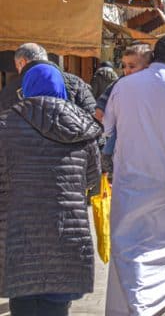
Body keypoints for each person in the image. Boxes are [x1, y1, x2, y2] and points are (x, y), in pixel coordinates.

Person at [103, 35, 165, 315]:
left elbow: (107, 127)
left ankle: (131, 303)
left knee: (127, 241)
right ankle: (161, 296)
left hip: (129, 179)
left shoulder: (123, 86)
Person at [0, 61, 101, 316]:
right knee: (57, 304)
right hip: (65, 230)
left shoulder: (5, 124)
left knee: (22, 301)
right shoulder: (82, 126)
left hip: (18, 233)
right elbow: (92, 179)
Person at [94, 45, 153, 173]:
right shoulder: (120, 82)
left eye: (132, 67)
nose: (127, 70)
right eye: (124, 66)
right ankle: (107, 156)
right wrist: (100, 109)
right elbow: (104, 98)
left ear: (147, 67)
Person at [0, 43, 96, 114]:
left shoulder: (12, 89)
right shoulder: (76, 82)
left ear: (22, 62)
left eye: (17, 67)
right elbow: (92, 114)